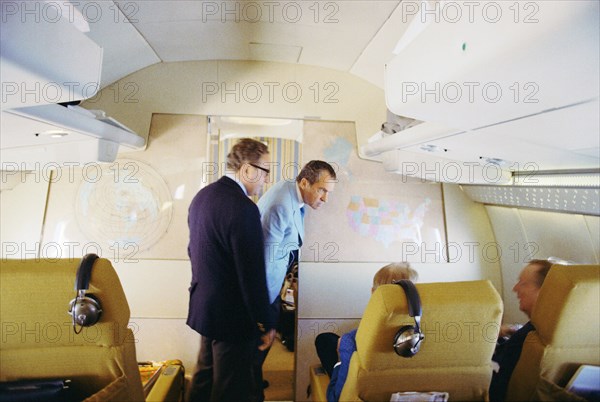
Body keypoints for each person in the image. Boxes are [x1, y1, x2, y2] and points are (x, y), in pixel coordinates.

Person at [186, 138, 276, 402]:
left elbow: (193, 251)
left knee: (204, 377)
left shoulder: (202, 196)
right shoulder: (244, 208)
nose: (265, 180)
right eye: (265, 171)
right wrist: (265, 321)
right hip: (232, 316)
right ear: (247, 169)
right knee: (230, 389)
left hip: (206, 307)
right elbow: (251, 275)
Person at [253, 160, 337, 400]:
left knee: (265, 339)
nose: (325, 199)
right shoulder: (281, 204)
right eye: (322, 190)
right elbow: (264, 260)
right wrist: (262, 308)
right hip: (262, 288)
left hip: (271, 285)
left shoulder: (293, 195)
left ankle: (253, 377)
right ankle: (251, 386)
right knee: (258, 341)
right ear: (304, 182)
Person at [315, 263, 419, 402]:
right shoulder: (427, 337)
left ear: (372, 293)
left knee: (325, 340)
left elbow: (337, 397)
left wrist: (341, 360)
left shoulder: (352, 341)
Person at [489, 259, 554, 402]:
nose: (515, 288)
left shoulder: (525, 339)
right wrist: (511, 330)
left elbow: (495, 383)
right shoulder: (548, 329)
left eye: (523, 284)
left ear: (544, 292)